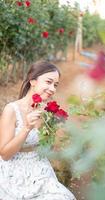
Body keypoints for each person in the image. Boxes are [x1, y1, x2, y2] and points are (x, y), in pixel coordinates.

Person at [0, 60, 76, 200]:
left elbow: (46, 148)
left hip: (39, 169)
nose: (52, 88)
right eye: (48, 82)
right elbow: (5, 154)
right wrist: (27, 128)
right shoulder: (11, 110)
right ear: (33, 81)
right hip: (13, 172)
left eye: (55, 85)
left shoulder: (46, 112)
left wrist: (50, 128)